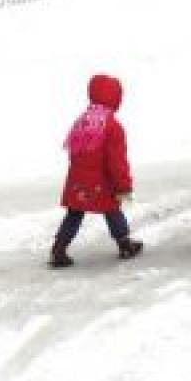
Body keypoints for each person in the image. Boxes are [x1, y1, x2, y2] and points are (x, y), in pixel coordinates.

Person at [50, 74, 143, 268]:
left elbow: (73, 154)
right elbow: (117, 161)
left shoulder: (81, 122)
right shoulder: (113, 127)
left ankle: (59, 249)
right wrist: (123, 186)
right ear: (116, 99)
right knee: (113, 211)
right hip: (102, 182)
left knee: (74, 214)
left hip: (77, 181)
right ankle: (125, 244)